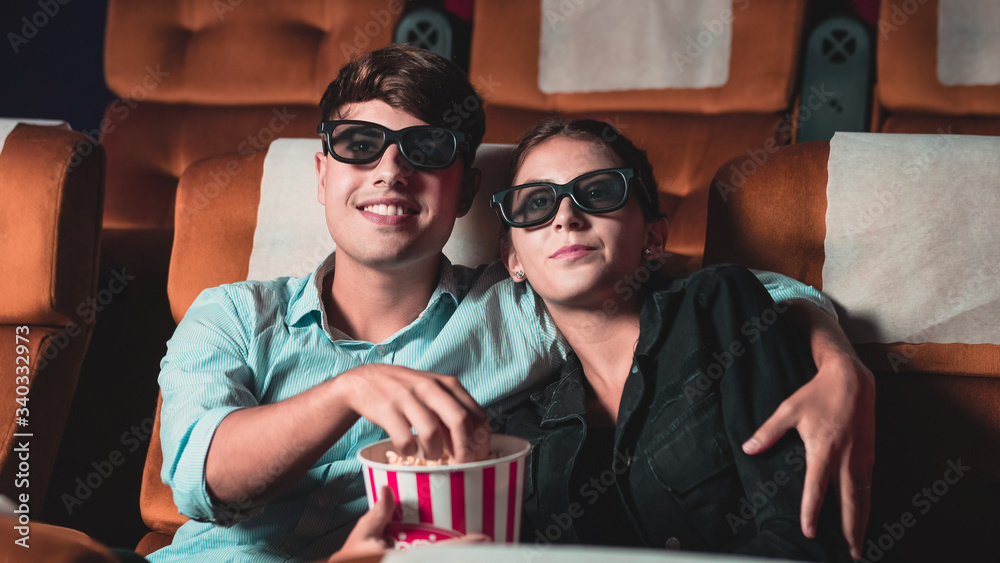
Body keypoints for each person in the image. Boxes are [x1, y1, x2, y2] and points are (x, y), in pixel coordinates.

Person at [150, 45, 873, 562]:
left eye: (425, 149)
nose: (391, 170)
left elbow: (711, 292)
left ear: (463, 192)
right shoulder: (233, 314)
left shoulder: (523, 304)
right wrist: (349, 391)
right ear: (321, 171)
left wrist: (838, 361)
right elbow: (201, 481)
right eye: (361, 144)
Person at [498, 119, 855, 560]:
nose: (567, 217)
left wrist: (838, 353)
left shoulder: (719, 307)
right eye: (536, 203)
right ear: (514, 260)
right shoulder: (526, 423)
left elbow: (806, 541)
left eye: (599, 192)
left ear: (654, 237)